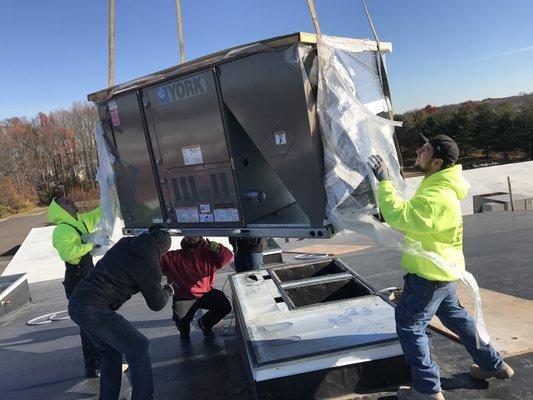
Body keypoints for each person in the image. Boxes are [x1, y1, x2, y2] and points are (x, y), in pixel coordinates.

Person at [368, 134, 513, 400]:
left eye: (424, 150)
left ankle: (426, 389)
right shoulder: (437, 185)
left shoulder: (438, 195)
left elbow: (402, 218)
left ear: (436, 162)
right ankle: (494, 365)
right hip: (442, 271)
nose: (417, 152)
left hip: (428, 275)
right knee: (458, 320)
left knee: (409, 325)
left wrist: (385, 183)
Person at [68, 226, 175, 400]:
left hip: (77, 303)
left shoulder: (125, 243)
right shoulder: (149, 264)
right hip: (94, 310)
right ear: (161, 251)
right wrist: (169, 290)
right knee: (139, 347)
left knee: (110, 353)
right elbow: (157, 303)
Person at [47, 196, 102, 378]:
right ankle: (97, 365)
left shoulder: (81, 221)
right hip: (77, 279)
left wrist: (114, 192)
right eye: (66, 202)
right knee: (89, 323)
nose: (71, 201)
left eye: (70, 200)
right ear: (60, 210)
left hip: (87, 276)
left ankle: (96, 365)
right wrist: (90, 245)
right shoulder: (61, 231)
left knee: (93, 322)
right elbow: (69, 254)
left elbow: (101, 213)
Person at [161, 236, 233, 344]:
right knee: (180, 320)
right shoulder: (173, 256)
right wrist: (155, 242)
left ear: (200, 236)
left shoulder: (210, 253)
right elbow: (155, 261)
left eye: (195, 235)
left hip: (206, 293)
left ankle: (205, 323)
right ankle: (184, 333)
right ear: (184, 238)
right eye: (189, 235)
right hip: (183, 297)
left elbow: (228, 257)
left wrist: (219, 249)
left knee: (225, 306)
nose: (192, 238)